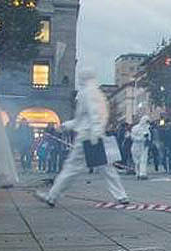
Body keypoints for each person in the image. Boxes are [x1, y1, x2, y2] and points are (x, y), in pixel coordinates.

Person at [37, 68, 128, 207]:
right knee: (106, 168)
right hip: (94, 135)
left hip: (88, 136)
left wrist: (95, 132)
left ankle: (52, 196)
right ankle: (121, 196)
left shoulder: (88, 92)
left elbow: (94, 114)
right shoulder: (96, 92)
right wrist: (66, 125)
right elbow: (86, 118)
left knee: (72, 167)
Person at [130, 115, 151, 180]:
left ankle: (143, 173)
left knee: (143, 160)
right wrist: (141, 138)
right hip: (136, 146)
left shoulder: (147, 129)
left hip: (144, 147)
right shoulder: (135, 128)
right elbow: (132, 137)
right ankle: (138, 173)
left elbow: (149, 138)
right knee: (137, 161)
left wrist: (147, 140)